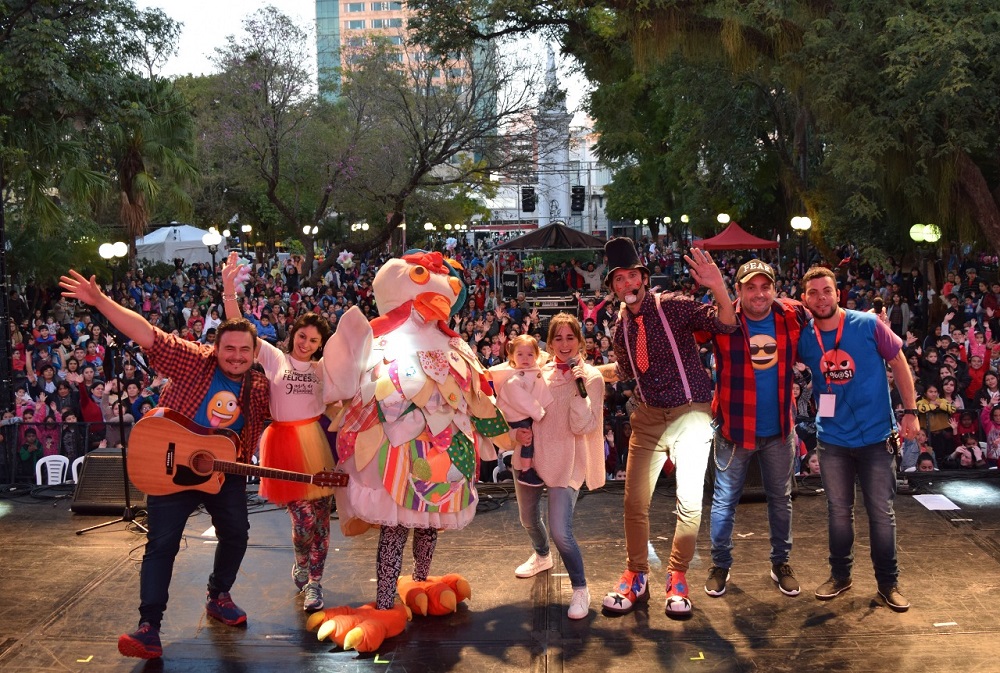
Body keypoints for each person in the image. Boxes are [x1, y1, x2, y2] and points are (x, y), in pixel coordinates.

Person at [59, 268, 270, 660]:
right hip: (171, 468)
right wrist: (100, 301)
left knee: (237, 534)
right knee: (161, 545)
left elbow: (297, 407)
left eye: (245, 351)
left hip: (226, 472)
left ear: (255, 353)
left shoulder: (260, 385)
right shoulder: (195, 362)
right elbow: (146, 334)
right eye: (229, 349)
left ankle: (218, 594)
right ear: (216, 347)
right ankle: (148, 627)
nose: (236, 357)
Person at [597, 237, 737, 617]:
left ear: (643, 276)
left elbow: (725, 324)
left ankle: (677, 576)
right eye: (618, 280)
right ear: (612, 287)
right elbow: (625, 373)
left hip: (690, 413)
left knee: (689, 502)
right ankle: (636, 575)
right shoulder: (619, 327)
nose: (626, 285)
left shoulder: (673, 307)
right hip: (646, 418)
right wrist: (581, 371)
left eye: (631, 276)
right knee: (633, 502)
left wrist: (718, 287)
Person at [797, 266, 919, 613]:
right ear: (806, 300)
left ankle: (888, 584)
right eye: (814, 293)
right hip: (833, 439)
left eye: (827, 291)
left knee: (881, 513)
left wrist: (909, 411)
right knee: (838, 513)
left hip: (876, 437)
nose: (821, 298)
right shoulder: (805, 337)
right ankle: (840, 576)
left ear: (838, 294)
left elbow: (899, 362)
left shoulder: (866, 325)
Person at [222, 253, 338, 613]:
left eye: (314, 340)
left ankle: (315, 583)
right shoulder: (275, 358)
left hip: (317, 442)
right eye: (302, 336)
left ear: (321, 345)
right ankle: (302, 561)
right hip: (283, 443)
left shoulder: (324, 369)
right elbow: (239, 327)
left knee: (320, 516)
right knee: (303, 519)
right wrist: (229, 288)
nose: (306, 343)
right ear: (294, 334)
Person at [706, 260, 809, 599]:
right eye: (751, 287)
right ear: (738, 290)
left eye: (765, 286)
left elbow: (826, 316)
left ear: (774, 289)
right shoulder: (723, 319)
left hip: (780, 429)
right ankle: (720, 564)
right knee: (724, 501)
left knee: (781, 500)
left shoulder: (791, 315)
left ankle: (781, 563)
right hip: (734, 430)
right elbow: (685, 332)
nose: (759, 293)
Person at [509, 313, 606, 620]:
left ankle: (580, 588)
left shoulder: (591, 378)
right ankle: (541, 556)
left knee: (561, 532)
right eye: (558, 339)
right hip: (531, 457)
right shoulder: (536, 373)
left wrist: (578, 386)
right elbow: (515, 409)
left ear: (581, 341)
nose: (565, 344)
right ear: (549, 344)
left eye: (570, 338)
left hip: (567, 461)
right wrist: (516, 433)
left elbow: (583, 426)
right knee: (527, 519)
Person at [490, 334, 553, 487]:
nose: (525, 358)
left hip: (526, 414)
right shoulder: (513, 379)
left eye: (530, 355)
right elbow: (523, 400)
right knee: (528, 440)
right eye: (520, 354)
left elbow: (541, 357)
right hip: (518, 417)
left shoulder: (531, 368)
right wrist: (538, 412)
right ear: (512, 356)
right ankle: (526, 470)